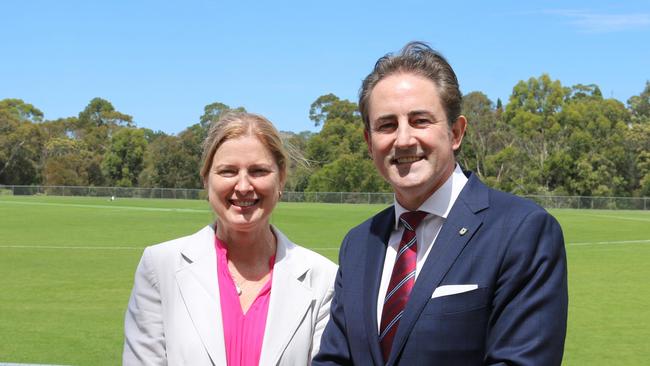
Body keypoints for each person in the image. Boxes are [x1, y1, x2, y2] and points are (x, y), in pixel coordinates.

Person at [313, 42, 568, 365]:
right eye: (387, 125)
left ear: (456, 132)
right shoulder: (359, 243)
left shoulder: (522, 231)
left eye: (420, 120)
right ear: (369, 142)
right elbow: (335, 359)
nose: (403, 139)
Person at [123, 112, 338, 365]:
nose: (244, 186)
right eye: (228, 171)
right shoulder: (160, 266)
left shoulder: (324, 278)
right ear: (206, 179)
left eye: (258, 171)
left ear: (281, 178)